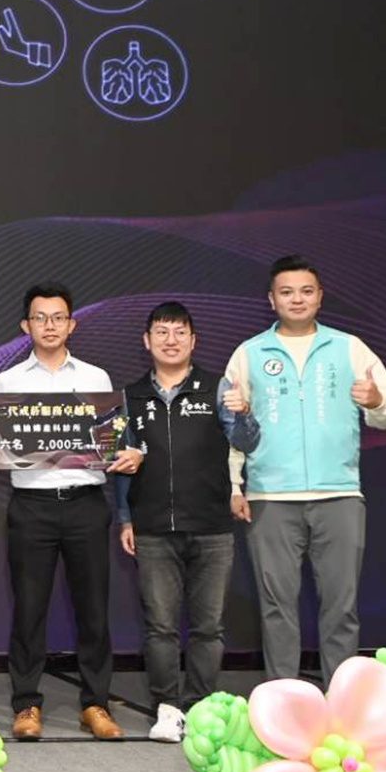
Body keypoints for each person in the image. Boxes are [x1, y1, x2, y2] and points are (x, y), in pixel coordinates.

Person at [225, 255, 386, 682]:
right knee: (276, 607)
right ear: (271, 300)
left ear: (320, 297)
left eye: (306, 291)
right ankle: (284, 698)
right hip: (270, 497)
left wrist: (377, 401)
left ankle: (340, 698)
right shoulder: (249, 353)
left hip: (339, 494)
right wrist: (235, 485)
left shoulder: (350, 347)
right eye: (286, 292)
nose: (297, 299)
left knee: (341, 606)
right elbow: (232, 427)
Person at [0, 282, 135, 742]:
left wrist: (124, 452)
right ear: (25, 326)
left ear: (72, 324)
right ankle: (26, 704)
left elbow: (112, 441)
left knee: (93, 610)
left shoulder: (96, 379)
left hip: (86, 504)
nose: (50, 325)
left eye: (58, 317)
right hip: (32, 508)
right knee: (29, 610)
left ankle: (95, 704)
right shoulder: (7, 383)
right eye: (40, 318)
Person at [115, 302, 260, 742]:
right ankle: (167, 708)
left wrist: (245, 412)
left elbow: (247, 440)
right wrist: (125, 518)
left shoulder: (217, 387)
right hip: (153, 527)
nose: (171, 340)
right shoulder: (130, 396)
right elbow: (122, 462)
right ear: (147, 341)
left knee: (208, 628)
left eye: (180, 332)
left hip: (212, 527)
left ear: (194, 340)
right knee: (159, 626)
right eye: (162, 332)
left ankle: (199, 706)